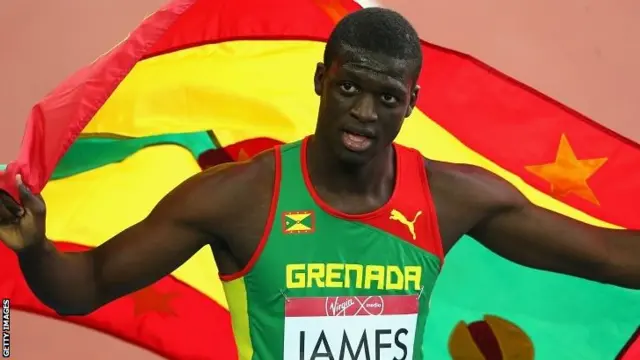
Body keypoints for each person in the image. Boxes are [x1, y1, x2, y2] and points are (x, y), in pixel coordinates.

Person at [0, 7, 638, 360]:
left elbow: (612, 256)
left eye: (386, 96)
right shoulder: (239, 198)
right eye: (349, 87)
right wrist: (34, 247)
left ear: (411, 103)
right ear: (320, 80)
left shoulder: (451, 195)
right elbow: (82, 290)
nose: (363, 112)